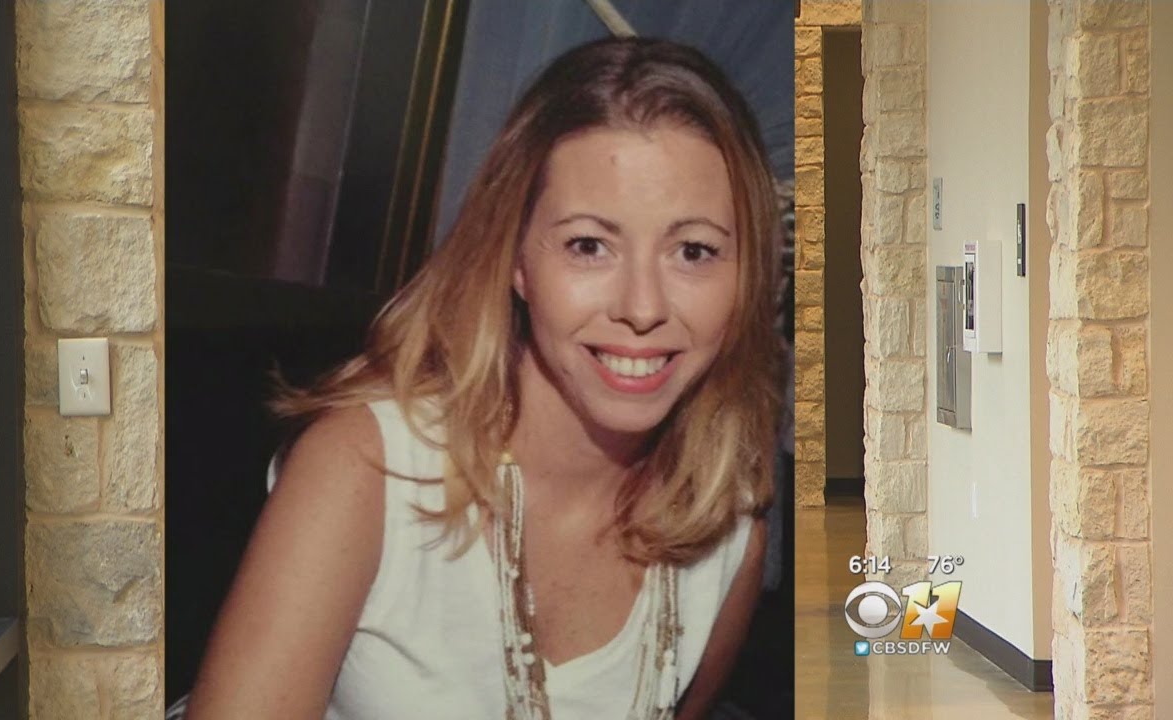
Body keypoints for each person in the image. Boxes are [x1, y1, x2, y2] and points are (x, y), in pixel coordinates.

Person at [186, 36, 781, 720]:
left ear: (746, 277)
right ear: (517, 260)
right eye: (589, 245)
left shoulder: (729, 529)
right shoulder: (365, 468)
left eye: (694, 251)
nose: (642, 307)